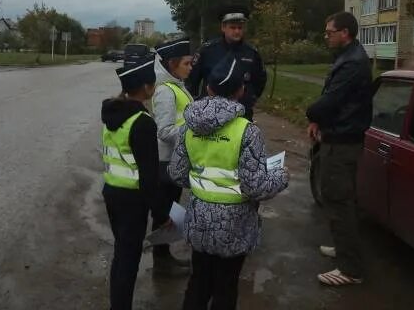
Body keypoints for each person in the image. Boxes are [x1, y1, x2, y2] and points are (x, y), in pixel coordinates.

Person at [169, 53, 289, 310]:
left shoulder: (188, 127)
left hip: (199, 220)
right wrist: (281, 176)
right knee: (226, 286)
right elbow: (255, 186)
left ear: (209, 88)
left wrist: (204, 183)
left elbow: (177, 173)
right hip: (235, 226)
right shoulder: (247, 131)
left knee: (199, 282)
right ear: (241, 91)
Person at [305, 11, 373, 287]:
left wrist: (312, 113)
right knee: (339, 199)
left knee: (338, 200)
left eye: (329, 32)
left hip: (342, 142)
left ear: (344, 32)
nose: (326, 36)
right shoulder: (349, 56)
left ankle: (350, 269)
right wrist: (318, 120)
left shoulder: (352, 64)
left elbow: (332, 99)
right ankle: (344, 249)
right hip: (339, 135)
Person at [101, 56, 166, 310]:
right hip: (132, 201)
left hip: (112, 193)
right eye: (153, 84)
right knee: (128, 260)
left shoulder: (114, 114)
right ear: (147, 87)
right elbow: (149, 178)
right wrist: (163, 213)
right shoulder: (142, 123)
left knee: (122, 254)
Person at [149, 37, 194, 276]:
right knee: (163, 212)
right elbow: (164, 131)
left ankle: (164, 256)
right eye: (187, 63)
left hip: (174, 160)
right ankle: (161, 261)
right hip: (165, 161)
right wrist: (195, 131)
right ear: (173, 64)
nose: (191, 67)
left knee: (169, 208)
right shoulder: (165, 91)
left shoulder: (177, 85)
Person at [186, 4, 267, 121]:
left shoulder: (251, 53)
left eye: (240, 28)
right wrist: (197, 102)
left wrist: (250, 99)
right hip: (210, 114)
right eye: (233, 27)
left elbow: (260, 80)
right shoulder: (207, 50)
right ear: (223, 27)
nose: (237, 31)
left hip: (241, 113)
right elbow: (191, 79)